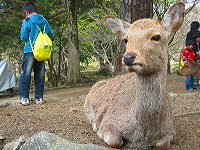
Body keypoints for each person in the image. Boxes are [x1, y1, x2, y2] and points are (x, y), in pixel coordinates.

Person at [19, 2, 54, 105]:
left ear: (26, 12)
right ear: (35, 10)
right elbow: (51, 34)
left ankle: (24, 98)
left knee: (26, 74)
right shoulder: (44, 20)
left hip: (30, 50)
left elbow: (24, 37)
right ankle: (39, 98)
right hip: (41, 51)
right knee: (40, 74)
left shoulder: (27, 20)